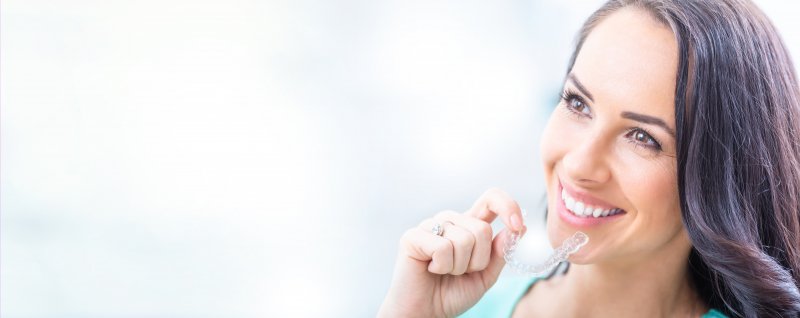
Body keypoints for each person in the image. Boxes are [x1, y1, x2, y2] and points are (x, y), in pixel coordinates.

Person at [377, 0, 800, 317]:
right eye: (578, 103)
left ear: (717, 177)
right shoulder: (454, 311)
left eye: (641, 137)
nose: (579, 165)